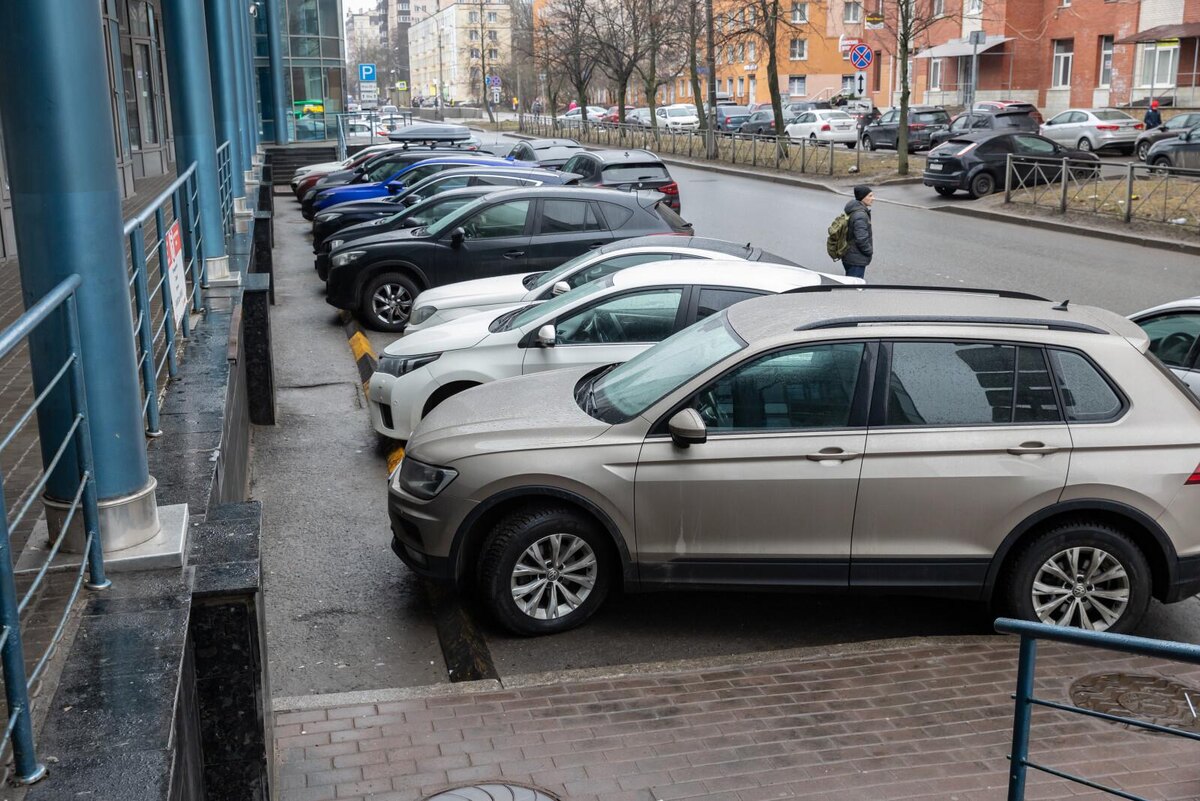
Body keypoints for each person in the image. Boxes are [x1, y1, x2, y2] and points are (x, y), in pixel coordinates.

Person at [842, 185, 874, 280]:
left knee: (850, 285)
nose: (873, 198)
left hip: (849, 255)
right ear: (862, 198)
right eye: (870, 196)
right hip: (856, 259)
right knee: (854, 290)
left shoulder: (854, 209)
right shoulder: (860, 215)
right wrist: (869, 251)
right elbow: (861, 239)